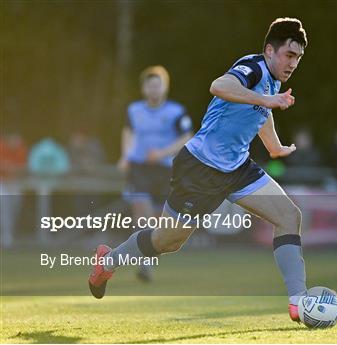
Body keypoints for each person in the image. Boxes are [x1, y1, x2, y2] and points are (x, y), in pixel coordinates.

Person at [88, 18, 310, 322]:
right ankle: (108, 261)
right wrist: (265, 99)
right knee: (168, 241)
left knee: (289, 216)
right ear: (270, 50)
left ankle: (299, 303)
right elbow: (220, 86)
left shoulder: (273, 81)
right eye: (289, 55)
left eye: (297, 57)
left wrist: (274, 146)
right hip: (200, 168)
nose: (293, 63)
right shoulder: (254, 67)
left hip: (237, 168)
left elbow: (262, 113)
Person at [117, 65, 193, 281]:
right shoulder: (134, 110)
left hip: (166, 169)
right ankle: (145, 264)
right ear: (143, 89)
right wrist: (126, 155)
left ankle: (147, 255)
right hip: (139, 169)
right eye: (150, 85)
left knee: (163, 222)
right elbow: (128, 132)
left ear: (165, 88)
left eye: (158, 85)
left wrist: (161, 153)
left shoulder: (176, 112)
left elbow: (187, 137)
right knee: (142, 213)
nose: (154, 90)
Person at [0, 132, 28, 248]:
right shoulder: (2, 146)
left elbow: (23, 168)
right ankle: (7, 237)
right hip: (1, 181)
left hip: (14, 182)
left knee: (16, 202)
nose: (15, 143)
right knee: (4, 202)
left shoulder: (20, 149)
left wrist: (11, 170)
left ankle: (10, 233)